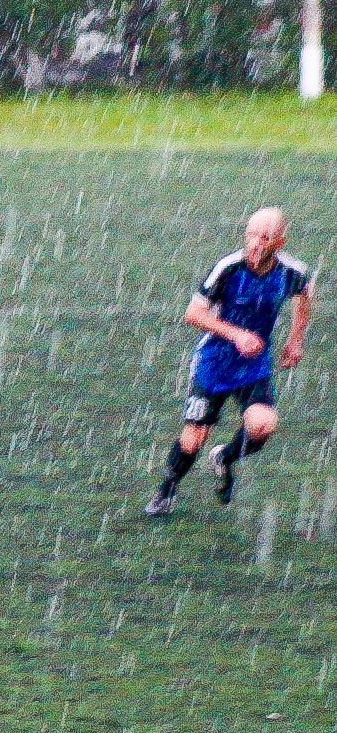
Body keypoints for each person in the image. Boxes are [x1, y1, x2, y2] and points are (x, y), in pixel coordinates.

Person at [146, 208, 312, 515]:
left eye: (265, 238)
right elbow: (193, 314)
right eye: (251, 235)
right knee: (194, 438)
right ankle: (165, 493)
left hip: (253, 364)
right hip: (214, 361)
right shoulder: (228, 267)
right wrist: (237, 335)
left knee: (262, 426)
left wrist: (296, 339)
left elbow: (305, 295)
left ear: (280, 241)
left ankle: (224, 458)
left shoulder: (292, 272)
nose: (255, 244)